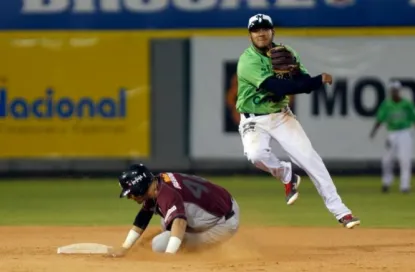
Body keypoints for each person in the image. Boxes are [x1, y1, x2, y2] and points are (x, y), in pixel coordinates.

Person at [235, 13, 360, 229]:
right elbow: (280, 88)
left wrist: (308, 80)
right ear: (250, 36)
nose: (261, 33)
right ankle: (286, 173)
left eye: (265, 28)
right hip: (252, 119)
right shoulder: (248, 61)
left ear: (273, 31)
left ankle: (342, 212)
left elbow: (302, 82)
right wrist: (318, 80)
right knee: (256, 155)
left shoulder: (286, 52)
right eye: (256, 30)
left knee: (310, 160)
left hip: (281, 115)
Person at [106, 164, 239, 257]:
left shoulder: (166, 194)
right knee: (166, 221)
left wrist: (169, 256)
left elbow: (180, 222)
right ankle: (187, 241)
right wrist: (125, 248)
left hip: (223, 223)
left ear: (139, 186)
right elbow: (143, 216)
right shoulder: (156, 184)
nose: (130, 197)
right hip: (220, 205)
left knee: (160, 244)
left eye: (130, 193)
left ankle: (199, 253)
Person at [370, 81, 415, 194]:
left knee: (405, 160)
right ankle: (386, 183)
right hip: (392, 133)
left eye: (396, 90)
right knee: (387, 160)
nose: (394, 92)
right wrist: (374, 131)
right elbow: (380, 119)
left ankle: (405, 186)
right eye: (392, 90)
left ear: (399, 91)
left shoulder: (407, 104)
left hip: (405, 133)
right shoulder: (386, 104)